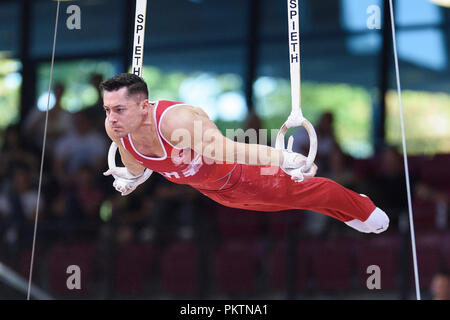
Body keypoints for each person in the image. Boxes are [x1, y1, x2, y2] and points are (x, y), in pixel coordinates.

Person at [101, 73, 389, 234]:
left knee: (302, 193)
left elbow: (231, 150)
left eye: (119, 109)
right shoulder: (117, 129)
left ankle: (361, 208)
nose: (111, 118)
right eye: (108, 109)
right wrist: (130, 179)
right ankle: (350, 211)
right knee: (287, 204)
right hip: (214, 191)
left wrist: (283, 158)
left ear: (144, 107)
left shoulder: (179, 123)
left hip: (241, 173)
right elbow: (135, 163)